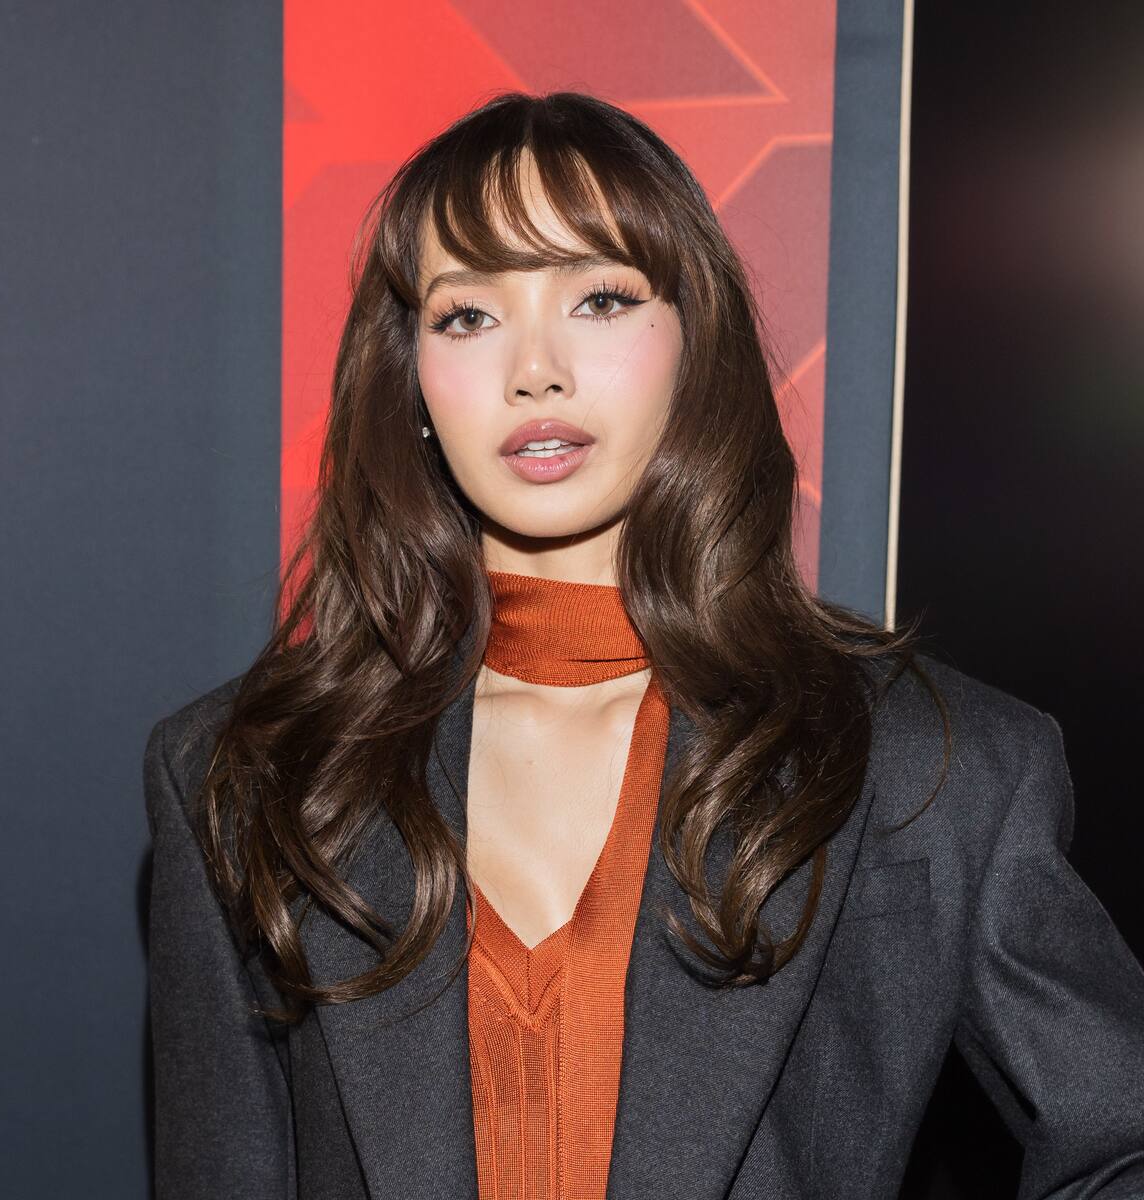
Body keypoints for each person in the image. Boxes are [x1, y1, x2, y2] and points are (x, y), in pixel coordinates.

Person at [143, 91, 1144, 1200]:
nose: (535, 369)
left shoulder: (927, 768)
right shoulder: (248, 773)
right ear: (410, 378)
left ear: (693, 344)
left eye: (601, 299)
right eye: (468, 315)